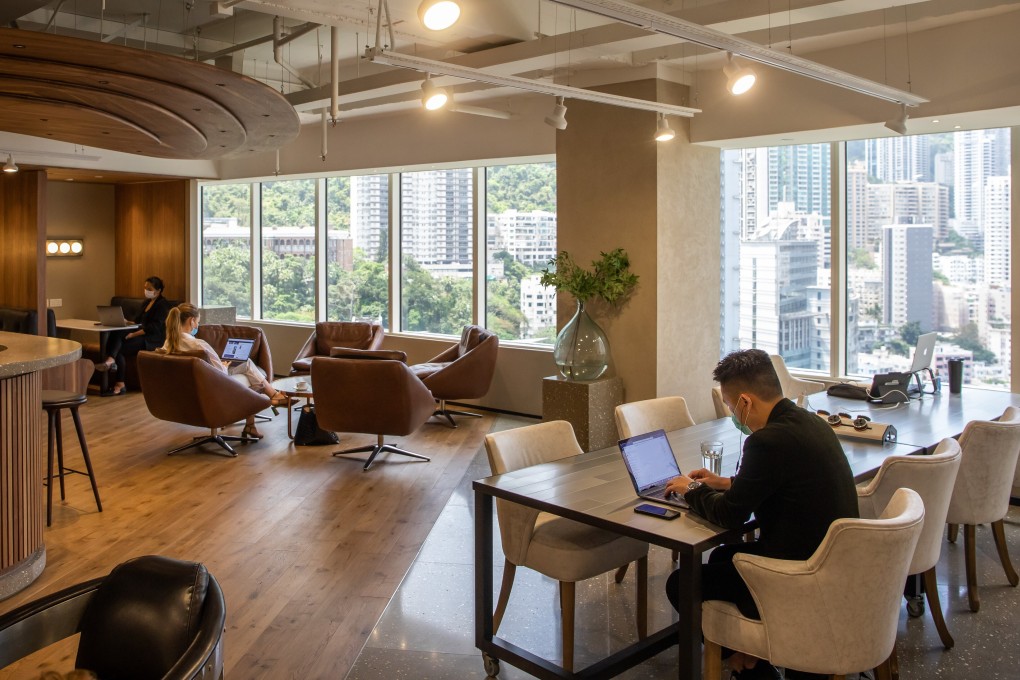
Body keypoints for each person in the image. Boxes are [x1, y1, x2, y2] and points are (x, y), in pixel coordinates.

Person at [663, 349, 858, 680]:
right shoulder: (806, 421)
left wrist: (691, 489)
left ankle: (748, 662)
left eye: (729, 405)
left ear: (745, 402)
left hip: (800, 576)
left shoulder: (768, 441)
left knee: (681, 583)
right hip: (834, 562)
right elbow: (781, 479)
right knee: (724, 555)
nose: (731, 413)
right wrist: (725, 482)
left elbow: (729, 515)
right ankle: (748, 653)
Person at [163, 303, 291, 439]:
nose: (197, 326)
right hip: (212, 387)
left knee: (247, 370)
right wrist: (223, 365)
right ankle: (273, 397)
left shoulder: (167, 344)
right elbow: (221, 373)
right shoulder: (198, 345)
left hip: (186, 389)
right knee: (248, 373)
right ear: (191, 321)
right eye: (198, 322)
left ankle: (251, 424)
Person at [96, 276, 172, 396]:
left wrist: (133, 334)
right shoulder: (146, 302)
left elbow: (153, 328)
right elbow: (138, 322)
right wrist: (125, 321)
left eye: (149, 288)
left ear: (158, 291)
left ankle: (113, 367)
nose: (146, 290)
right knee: (117, 332)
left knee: (118, 349)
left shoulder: (162, 305)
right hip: (140, 334)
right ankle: (118, 378)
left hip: (152, 340)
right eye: (145, 288)